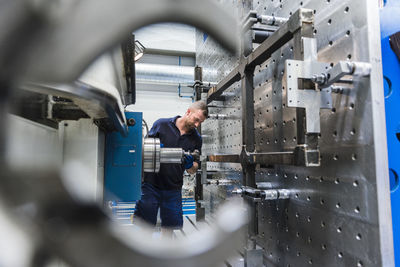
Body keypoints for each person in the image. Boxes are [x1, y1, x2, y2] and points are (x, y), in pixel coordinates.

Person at [134, 100, 208, 236]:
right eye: (196, 120)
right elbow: (142, 152)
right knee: (145, 225)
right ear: (188, 112)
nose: (197, 125)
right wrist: (157, 151)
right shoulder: (161, 124)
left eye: (200, 123)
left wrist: (190, 164)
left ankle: (165, 254)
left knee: (169, 227)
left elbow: (193, 169)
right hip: (151, 184)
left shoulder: (196, 139)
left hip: (173, 187)